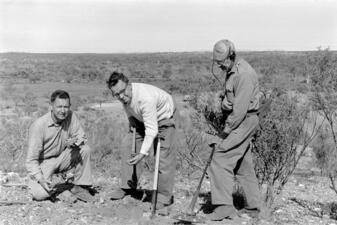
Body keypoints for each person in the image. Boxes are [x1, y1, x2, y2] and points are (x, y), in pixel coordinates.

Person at [106, 71, 177, 212]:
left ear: (129, 85)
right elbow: (128, 108)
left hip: (164, 117)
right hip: (143, 119)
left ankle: (163, 197)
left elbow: (152, 130)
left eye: (122, 91)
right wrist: (131, 120)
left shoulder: (145, 98)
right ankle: (128, 187)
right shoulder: (124, 96)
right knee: (128, 145)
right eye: (116, 94)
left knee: (163, 157)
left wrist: (143, 153)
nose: (120, 96)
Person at [207, 39, 261, 220]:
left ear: (231, 56)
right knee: (242, 164)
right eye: (217, 62)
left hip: (244, 121)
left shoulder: (243, 74)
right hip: (242, 120)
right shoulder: (232, 70)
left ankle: (223, 207)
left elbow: (239, 112)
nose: (220, 66)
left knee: (220, 157)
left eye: (222, 62)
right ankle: (255, 207)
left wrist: (224, 133)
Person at [26, 90, 94, 202]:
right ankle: (60, 190)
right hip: (44, 163)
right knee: (39, 194)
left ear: (70, 106)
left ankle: (81, 187)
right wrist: (40, 179)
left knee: (85, 149)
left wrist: (76, 141)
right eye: (59, 107)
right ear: (51, 106)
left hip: (62, 158)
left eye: (66, 107)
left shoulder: (71, 116)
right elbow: (31, 160)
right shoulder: (39, 126)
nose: (63, 111)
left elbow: (81, 136)